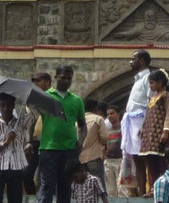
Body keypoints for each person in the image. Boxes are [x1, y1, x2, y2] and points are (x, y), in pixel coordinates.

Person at [39, 64, 87, 203]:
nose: (66, 81)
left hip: (69, 150)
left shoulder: (76, 100)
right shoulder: (45, 97)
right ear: (55, 77)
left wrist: (81, 141)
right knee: (47, 186)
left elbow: (83, 125)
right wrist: (29, 141)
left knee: (65, 187)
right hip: (48, 148)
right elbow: (31, 120)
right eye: (62, 78)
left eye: (69, 78)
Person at [0, 92, 28, 203]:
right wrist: (4, 143)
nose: (5, 108)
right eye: (2, 105)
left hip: (16, 168)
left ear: (13, 106)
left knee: (16, 200)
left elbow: (31, 119)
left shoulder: (21, 125)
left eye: (9, 105)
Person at [138, 69, 169, 188]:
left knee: (161, 160)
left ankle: (163, 186)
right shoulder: (152, 98)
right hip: (149, 134)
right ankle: (152, 187)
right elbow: (148, 115)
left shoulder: (166, 95)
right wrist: (143, 128)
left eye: (152, 82)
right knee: (150, 161)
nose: (150, 85)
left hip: (159, 133)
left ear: (160, 82)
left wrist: (166, 130)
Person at [122, 50, 152, 196]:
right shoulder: (138, 79)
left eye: (133, 59)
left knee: (145, 157)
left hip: (141, 121)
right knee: (136, 159)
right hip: (132, 122)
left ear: (142, 60)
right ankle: (140, 192)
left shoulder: (148, 78)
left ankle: (149, 190)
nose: (130, 62)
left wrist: (146, 125)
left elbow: (150, 102)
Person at [24, 72, 52, 196]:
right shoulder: (32, 99)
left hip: (50, 141)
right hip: (35, 140)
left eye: (38, 81)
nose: (35, 84)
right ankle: (32, 198)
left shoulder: (53, 98)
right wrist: (28, 141)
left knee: (45, 176)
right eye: (33, 81)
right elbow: (30, 121)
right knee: (26, 174)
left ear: (47, 82)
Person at [80, 99, 110, 190]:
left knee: (83, 184)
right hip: (94, 157)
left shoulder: (78, 121)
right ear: (95, 108)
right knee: (98, 182)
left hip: (80, 158)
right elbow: (105, 137)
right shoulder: (98, 119)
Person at [103, 105, 124, 196]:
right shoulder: (106, 130)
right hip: (108, 161)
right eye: (107, 114)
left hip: (120, 160)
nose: (109, 116)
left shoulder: (123, 128)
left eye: (112, 113)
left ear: (118, 114)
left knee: (122, 190)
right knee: (110, 191)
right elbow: (104, 145)